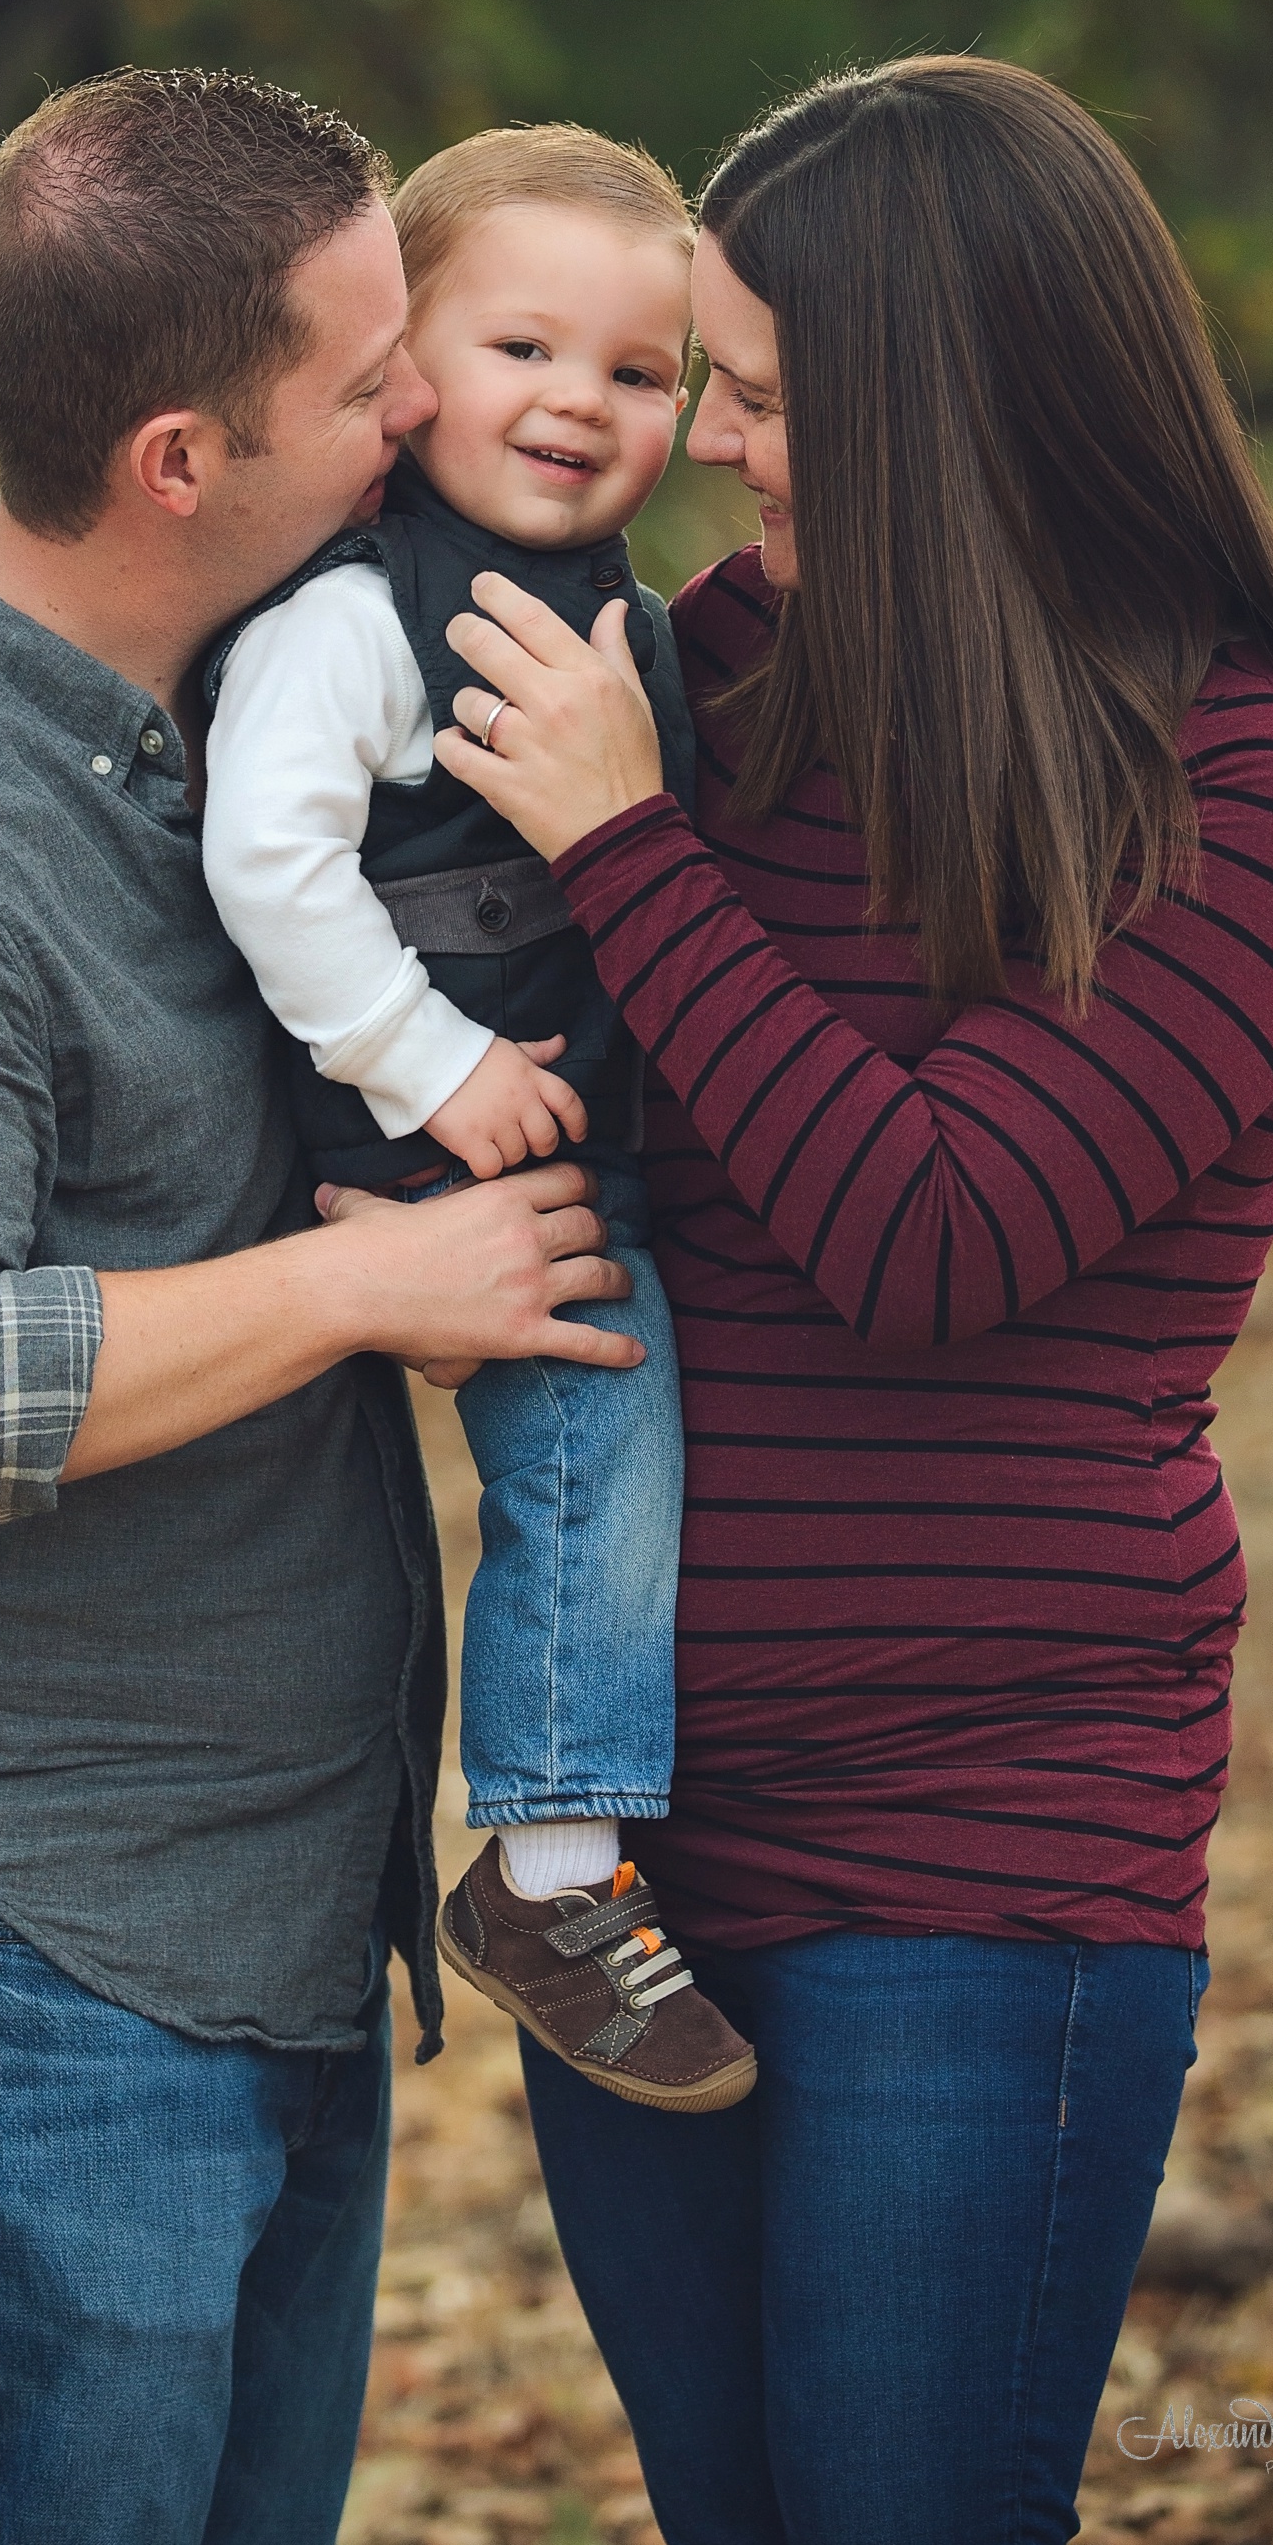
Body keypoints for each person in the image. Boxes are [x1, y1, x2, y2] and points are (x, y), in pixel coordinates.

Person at [401, 56, 1273, 2545]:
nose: (705, 444)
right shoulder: (715, 679)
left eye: (755, 393)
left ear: (948, 396)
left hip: (987, 1836)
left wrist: (636, 852)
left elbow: (937, 1239)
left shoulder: (1251, 777)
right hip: (626, 1828)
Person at [0, 66, 641, 2545]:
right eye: (375, 377)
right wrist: (363, 1294)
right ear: (185, 452)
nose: (429, 413)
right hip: (5, 1949)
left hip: (251, 1934)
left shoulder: (245, 736)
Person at [202, 126, 754, 2116]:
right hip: (433, 1132)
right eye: (526, 347)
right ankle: (547, 1875)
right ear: (409, 362)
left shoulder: (625, 605)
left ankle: (553, 1850)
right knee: (601, 1452)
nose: (581, 405)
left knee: (611, 1469)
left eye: (637, 372)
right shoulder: (361, 613)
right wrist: (429, 1064)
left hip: (559, 1122)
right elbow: (265, 851)